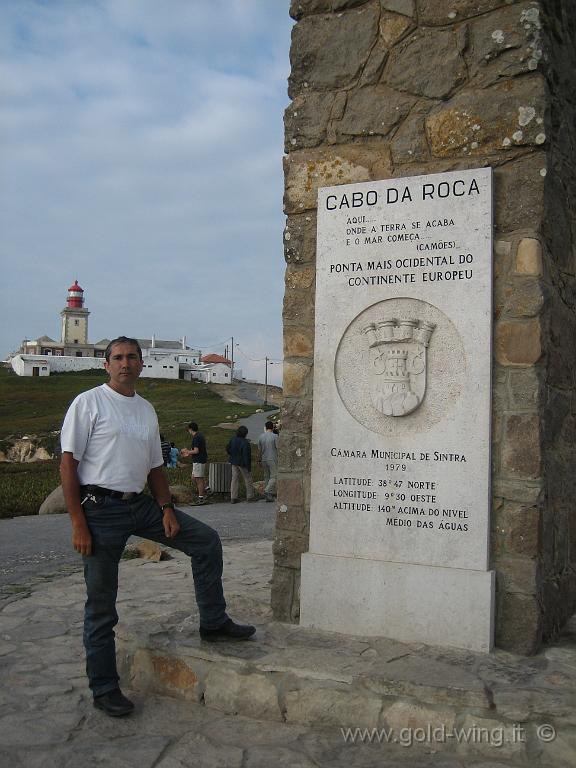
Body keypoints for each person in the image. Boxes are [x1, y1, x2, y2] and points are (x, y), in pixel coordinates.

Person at [60, 336, 255, 719]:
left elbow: (154, 467)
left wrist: (166, 507)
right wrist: (77, 523)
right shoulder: (88, 403)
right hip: (99, 510)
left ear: (142, 363)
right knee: (102, 607)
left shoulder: (146, 410)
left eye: (132, 357)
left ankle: (213, 621)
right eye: (117, 357)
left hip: (142, 506)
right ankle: (104, 688)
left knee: (206, 541)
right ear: (107, 365)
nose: (125, 363)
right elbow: (68, 465)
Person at [226, 425, 256, 503]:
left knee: (234, 479)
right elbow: (246, 456)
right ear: (245, 433)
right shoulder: (245, 442)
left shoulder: (232, 439)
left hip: (233, 461)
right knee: (248, 478)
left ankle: (233, 497)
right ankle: (250, 496)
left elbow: (228, 448)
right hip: (242, 463)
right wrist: (248, 467)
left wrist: (231, 455)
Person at [181, 422, 208, 504]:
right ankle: (207, 489)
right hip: (200, 459)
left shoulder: (196, 438)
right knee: (194, 477)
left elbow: (196, 451)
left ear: (190, 429)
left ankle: (201, 497)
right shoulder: (200, 436)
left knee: (198, 479)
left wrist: (187, 452)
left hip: (198, 460)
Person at [258, 421, 278, 502]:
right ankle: (267, 490)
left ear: (265, 427)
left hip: (264, 458)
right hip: (272, 458)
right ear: (273, 427)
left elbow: (259, 450)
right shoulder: (275, 436)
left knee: (266, 476)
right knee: (274, 476)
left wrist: (259, 460)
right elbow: (278, 447)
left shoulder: (261, 436)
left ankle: (268, 495)